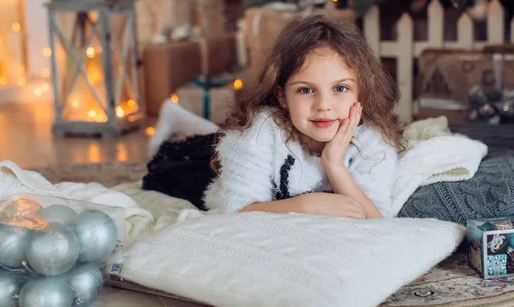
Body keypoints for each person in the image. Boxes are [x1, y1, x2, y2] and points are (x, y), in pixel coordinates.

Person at [144, 15, 404, 218]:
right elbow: (236, 211)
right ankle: (172, 127)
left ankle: (180, 118)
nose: (324, 105)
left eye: (340, 88)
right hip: (208, 169)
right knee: (165, 166)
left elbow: (376, 220)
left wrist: (334, 164)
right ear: (282, 97)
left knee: (214, 136)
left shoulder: (373, 141)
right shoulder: (259, 131)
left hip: (237, 150)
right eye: (305, 90)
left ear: (362, 90)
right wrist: (307, 205)